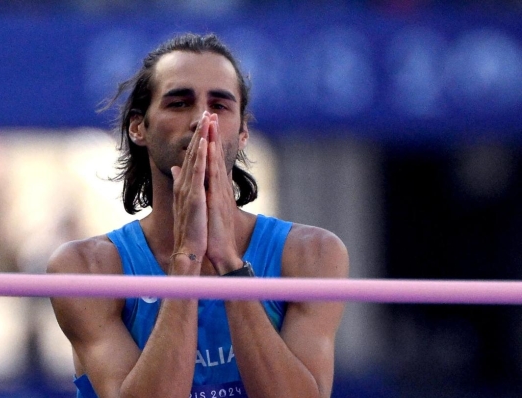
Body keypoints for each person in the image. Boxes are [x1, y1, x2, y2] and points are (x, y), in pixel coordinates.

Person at [48, 32, 349, 398]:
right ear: (138, 127)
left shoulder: (312, 255)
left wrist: (228, 264)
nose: (201, 120)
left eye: (219, 106)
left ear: (241, 133)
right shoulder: (84, 269)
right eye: (179, 103)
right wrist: (187, 258)